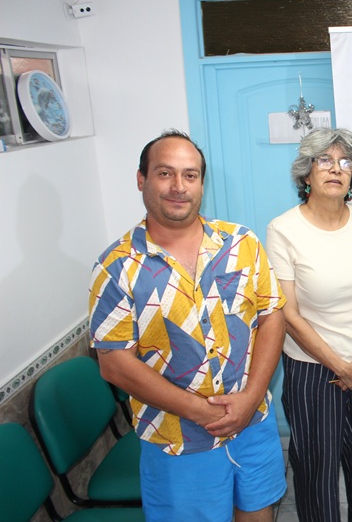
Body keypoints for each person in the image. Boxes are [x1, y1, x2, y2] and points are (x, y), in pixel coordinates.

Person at [88, 130, 287, 522]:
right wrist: (201, 412)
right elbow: (115, 364)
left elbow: (271, 316)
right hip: (177, 442)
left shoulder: (242, 244)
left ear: (201, 183)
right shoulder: (116, 267)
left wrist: (250, 398)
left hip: (252, 425)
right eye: (165, 173)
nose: (179, 186)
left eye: (190, 175)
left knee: (258, 514)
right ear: (142, 179)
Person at [265, 127, 352, 522]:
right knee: (317, 472)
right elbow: (288, 313)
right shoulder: (283, 229)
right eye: (325, 160)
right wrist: (338, 365)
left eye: (345, 162)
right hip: (313, 370)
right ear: (306, 173)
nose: (336, 169)